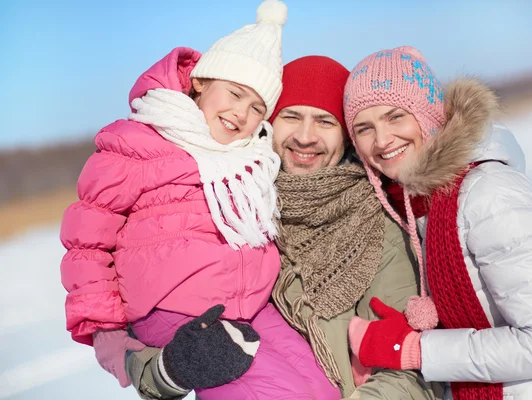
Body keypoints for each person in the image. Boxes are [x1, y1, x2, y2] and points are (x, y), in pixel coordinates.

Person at [60, 1, 338, 399]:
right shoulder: (139, 142)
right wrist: (106, 331)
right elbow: (86, 242)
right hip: (177, 311)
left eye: (257, 107)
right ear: (203, 83)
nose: (241, 113)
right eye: (235, 93)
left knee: (322, 386)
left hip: (254, 306)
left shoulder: (253, 162)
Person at [125, 55, 444, 400]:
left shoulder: (377, 227)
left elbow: (410, 374)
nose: (305, 137)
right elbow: (145, 322)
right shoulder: (226, 206)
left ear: (347, 137)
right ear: (268, 123)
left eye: (325, 121)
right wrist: (170, 370)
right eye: (291, 117)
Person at [344, 46, 532, 399]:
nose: (382, 140)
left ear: (428, 116)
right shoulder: (420, 207)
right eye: (364, 128)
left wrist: (413, 349)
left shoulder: (489, 195)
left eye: (395, 117)